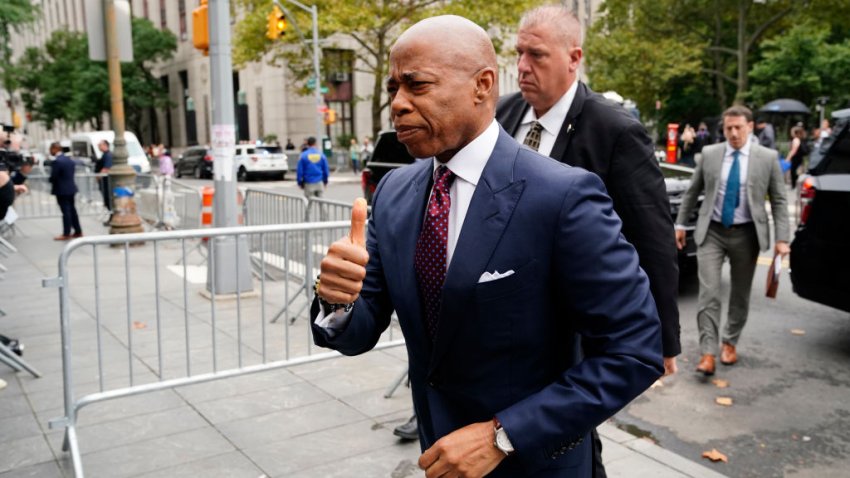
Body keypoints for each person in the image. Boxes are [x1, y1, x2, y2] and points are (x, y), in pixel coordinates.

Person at [312, 15, 662, 478]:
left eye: (416, 85)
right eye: (393, 87)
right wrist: (337, 300)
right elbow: (359, 331)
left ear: (482, 85)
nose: (397, 104)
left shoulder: (561, 196)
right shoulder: (394, 192)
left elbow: (633, 352)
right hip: (438, 460)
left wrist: (503, 435)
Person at [495, 7, 679, 476]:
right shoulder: (503, 114)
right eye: (519, 53)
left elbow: (651, 234)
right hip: (503, 311)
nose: (522, 67)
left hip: (570, 321)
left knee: (566, 432)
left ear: (573, 58)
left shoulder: (613, 129)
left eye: (536, 55)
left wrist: (662, 338)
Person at [675, 105, 790, 376]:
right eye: (729, 128)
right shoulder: (710, 154)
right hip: (712, 231)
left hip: (747, 234)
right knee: (710, 293)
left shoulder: (767, 157)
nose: (734, 133)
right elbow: (692, 191)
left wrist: (782, 239)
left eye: (739, 127)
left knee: (739, 294)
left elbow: (780, 200)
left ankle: (730, 341)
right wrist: (680, 224)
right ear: (723, 129)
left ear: (750, 127)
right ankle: (707, 352)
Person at [48, 142, 82, 240]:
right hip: (71, 188)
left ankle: (66, 233)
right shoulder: (69, 160)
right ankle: (78, 231)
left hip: (62, 190)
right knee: (72, 210)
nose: (50, 152)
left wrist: (50, 180)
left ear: (55, 149)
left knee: (66, 211)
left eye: (51, 149)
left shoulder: (57, 161)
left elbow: (54, 176)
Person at [95, 140, 113, 216]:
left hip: (106, 182)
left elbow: (106, 168)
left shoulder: (108, 155)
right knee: (106, 200)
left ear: (105, 145)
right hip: (104, 182)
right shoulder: (105, 155)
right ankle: (111, 216)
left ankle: (112, 216)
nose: (98, 146)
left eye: (100, 145)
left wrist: (98, 177)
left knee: (108, 199)